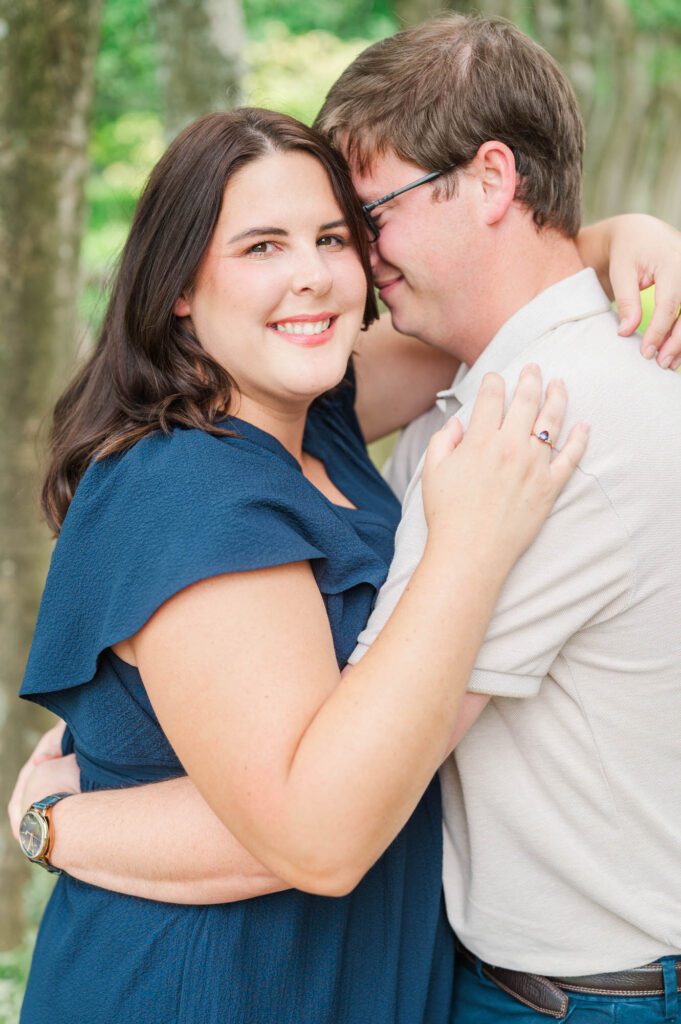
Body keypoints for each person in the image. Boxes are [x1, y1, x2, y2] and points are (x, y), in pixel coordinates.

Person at [10, 17, 681, 1023]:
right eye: (262, 246)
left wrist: (628, 238)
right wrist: (51, 827)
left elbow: (511, 303)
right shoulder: (190, 491)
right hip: (209, 983)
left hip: (366, 973)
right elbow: (315, 824)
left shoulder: (314, 415)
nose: (323, 272)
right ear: (183, 287)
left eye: (342, 233)